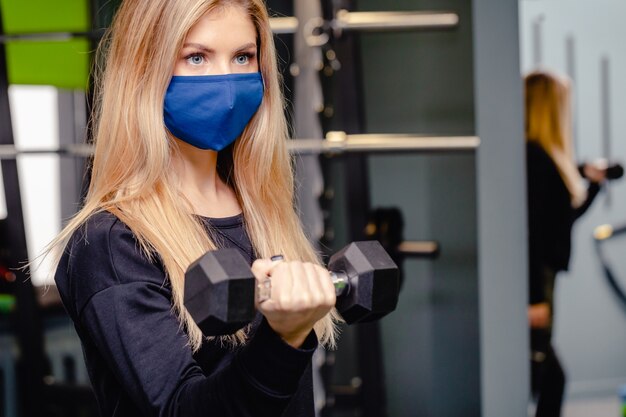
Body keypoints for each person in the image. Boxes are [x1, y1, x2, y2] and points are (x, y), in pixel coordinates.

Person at [48, 1, 341, 416]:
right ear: (144, 71)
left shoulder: (261, 212)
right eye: (196, 57)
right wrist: (283, 338)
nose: (225, 82)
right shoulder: (113, 244)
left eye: (243, 57)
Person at [525, 70, 607, 417]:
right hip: (537, 283)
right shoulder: (536, 160)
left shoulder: (540, 157)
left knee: (547, 377)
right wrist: (534, 298)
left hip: (543, 280)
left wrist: (594, 188)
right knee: (550, 378)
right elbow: (531, 234)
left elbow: (560, 220)